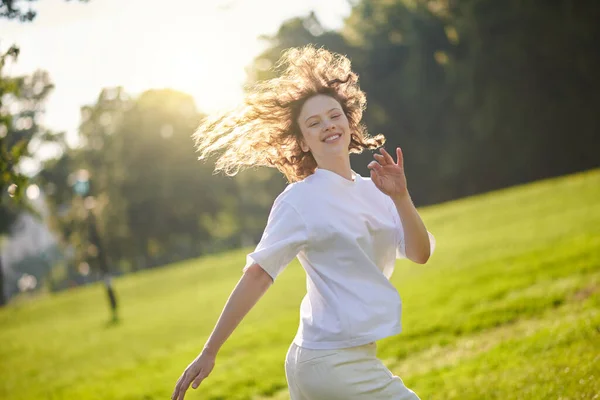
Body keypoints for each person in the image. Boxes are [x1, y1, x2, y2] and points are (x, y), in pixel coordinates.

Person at [171, 45, 435, 400]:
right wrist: (209, 350)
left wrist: (401, 197)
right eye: (314, 123)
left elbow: (420, 253)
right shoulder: (299, 201)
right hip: (328, 361)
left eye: (334, 115)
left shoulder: (378, 190)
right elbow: (258, 274)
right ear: (303, 140)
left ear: (349, 120)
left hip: (342, 357)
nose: (327, 125)